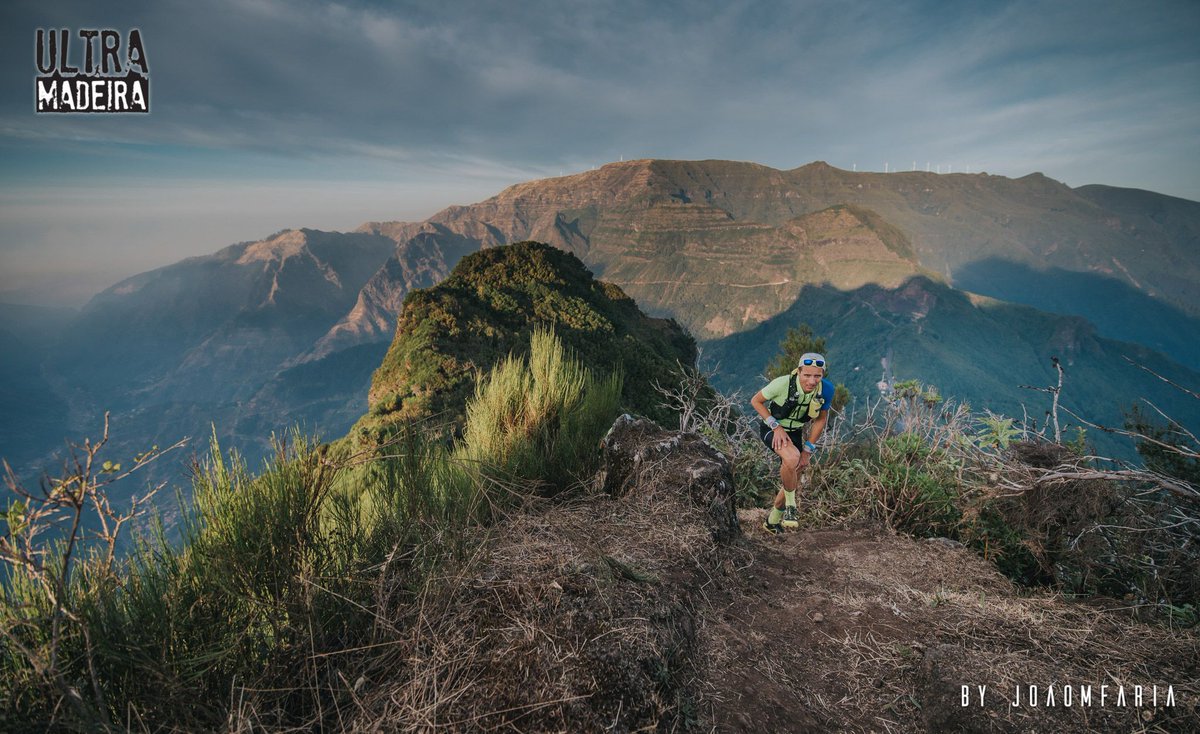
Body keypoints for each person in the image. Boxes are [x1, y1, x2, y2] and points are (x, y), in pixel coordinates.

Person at [750, 352, 834, 533]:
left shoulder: (825, 390)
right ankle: (791, 506)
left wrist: (808, 449)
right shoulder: (782, 383)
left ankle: (772, 522)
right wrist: (775, 427)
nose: (812, 381)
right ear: (798, 371)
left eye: (817, 376)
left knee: (795, 469)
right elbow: (756, 401)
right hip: (772, 429)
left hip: (795, 432)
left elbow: (820, 420)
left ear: (822, 375)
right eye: (807, 375)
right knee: (792, 457)